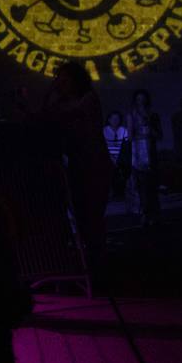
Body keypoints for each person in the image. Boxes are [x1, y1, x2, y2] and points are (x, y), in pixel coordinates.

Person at [43, 62, 113, 269]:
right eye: (59, 79)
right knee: (83, 218)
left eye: (65, 80)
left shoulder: (87, 100)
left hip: (94, 165)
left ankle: (98, 265)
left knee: (92, 218)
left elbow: (58, 113)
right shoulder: (71, 103)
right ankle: (93, 264)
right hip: (79, 165)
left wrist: (51, 93)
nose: (61, 84)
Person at [127, 89, 161, 226]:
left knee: (152, 185)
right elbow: (129, 137)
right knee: (141, 184)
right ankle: (143, 213)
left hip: (151, 152)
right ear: (135, 101)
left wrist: (149, 125)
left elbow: (159, 135)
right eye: (138, 99)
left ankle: (153, 214)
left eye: (143, 99)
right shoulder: (131, 115)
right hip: (138, 153)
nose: (141, 102)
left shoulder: (153, 115)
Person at [104, 111, 129, 198]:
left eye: (117, 118)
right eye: (113, 118)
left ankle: (120, 193)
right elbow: (103, 147)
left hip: (121, 158)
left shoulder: (123, 130)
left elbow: (126, 146)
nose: (115, 121)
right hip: (107, 158)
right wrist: (111, 157)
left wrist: (119, 158)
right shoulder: (104, 131)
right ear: (109, 120)